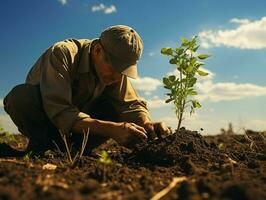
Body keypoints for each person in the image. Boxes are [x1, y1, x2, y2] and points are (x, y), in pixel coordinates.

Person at [3, 25, 171, 155]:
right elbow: (59, 111)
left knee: (113, 108)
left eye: (123, 72)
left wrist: (147, 124)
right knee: (20, 97)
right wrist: (111, 129)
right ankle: (43, 147)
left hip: (80, 132)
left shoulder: (115, 74)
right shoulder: (63, 53)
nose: (118, 78)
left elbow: (130, 105)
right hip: (46, 123)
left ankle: (76, 149)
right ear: (97, 50)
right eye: (114, 68)